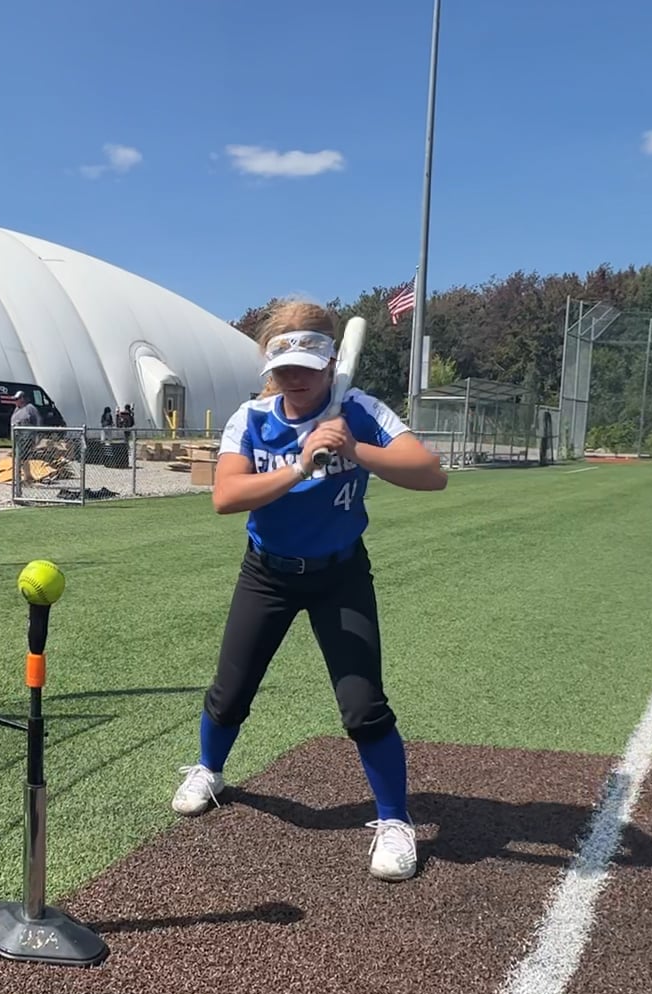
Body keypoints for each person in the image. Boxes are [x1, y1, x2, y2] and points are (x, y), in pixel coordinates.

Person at [170, 300, 446, 880]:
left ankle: (395, 820)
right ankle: (208, 769)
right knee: (230, 690)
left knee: (363, 704)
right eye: (283, 367)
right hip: (267, 573)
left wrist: (353, 449)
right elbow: (226, 497)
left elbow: (431, 473)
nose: (295, 377)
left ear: (331, 364)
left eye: (307, 366)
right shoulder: (251, 418)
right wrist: (298, 466)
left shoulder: (360, 410)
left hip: (339, 575)